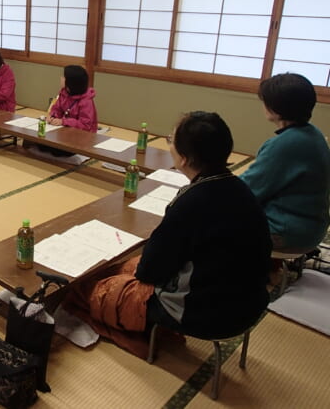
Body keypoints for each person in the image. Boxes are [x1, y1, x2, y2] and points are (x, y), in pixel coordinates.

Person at [64, 111, 271, 358]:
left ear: (183, 159)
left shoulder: (191, 202)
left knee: (93, 288)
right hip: (251, 304)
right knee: (126, 266)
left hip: (204, 314)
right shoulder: (240, 189)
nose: (169, 144)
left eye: (171, 140)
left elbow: (150, 271)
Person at [240, 73, 330, 253]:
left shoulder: (285, 144)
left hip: (286, 232)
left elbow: (246, 190)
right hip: (312, 227)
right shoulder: (314, 134)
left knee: (210, 218)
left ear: (275, 108)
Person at [48, 65, 98, 132]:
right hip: (65, 130)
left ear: (71, 81)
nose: (61, 78)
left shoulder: (86, 101)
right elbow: (57, 109)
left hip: (83, 134)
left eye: (64, 77)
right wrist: (52, 116)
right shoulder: (64, 93)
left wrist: (64, 122)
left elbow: (85, 125)